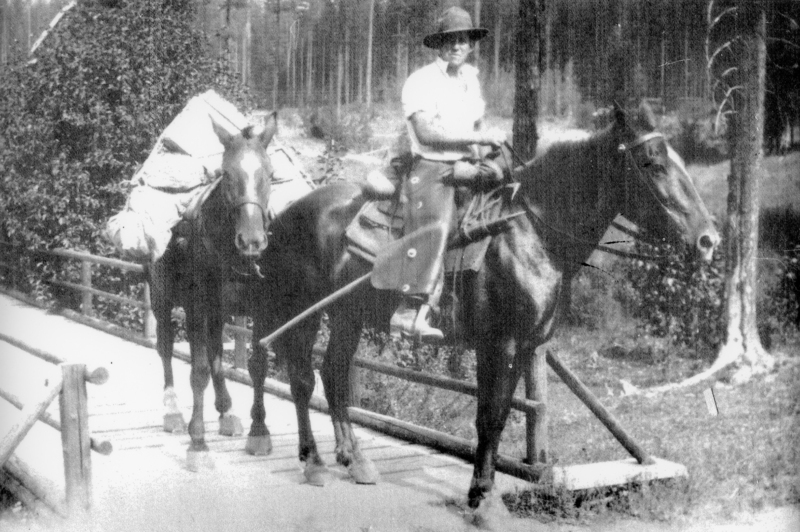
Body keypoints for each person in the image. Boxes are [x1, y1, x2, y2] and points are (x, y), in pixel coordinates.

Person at [371, 6, 507, 342]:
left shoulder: (471, 80)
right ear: (438, 45)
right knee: (440, 221)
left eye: (463, 39)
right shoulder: (421, 81)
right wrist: (478, 138)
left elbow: (475, 124)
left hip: (464, 164)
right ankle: (408, 308)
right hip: (432, 166)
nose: (457, 46)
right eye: (450, 40)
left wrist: (484, 156)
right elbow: (427, 134)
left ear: (471, 44)